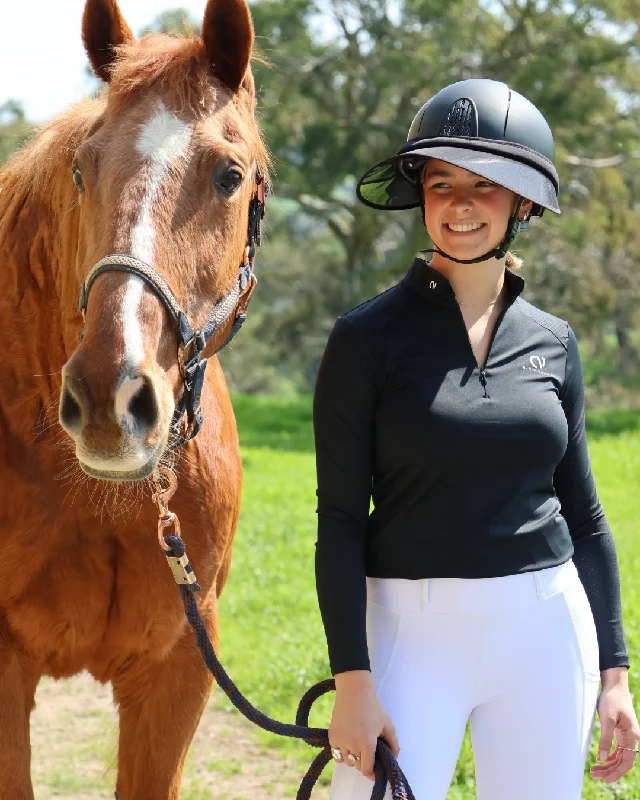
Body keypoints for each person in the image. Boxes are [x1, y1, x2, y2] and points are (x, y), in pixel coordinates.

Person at [312, 78, 640, 800]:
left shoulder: (554, 342)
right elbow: (338, 522)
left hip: (546, 635)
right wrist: (352, 684)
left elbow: (583, 516)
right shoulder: (365, 340)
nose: (460, 205)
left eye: (485, 185)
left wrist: (615, 676)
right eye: (441, 182)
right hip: (409, 636)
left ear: (522, 203)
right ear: (421, 195)